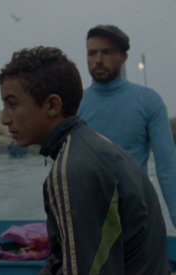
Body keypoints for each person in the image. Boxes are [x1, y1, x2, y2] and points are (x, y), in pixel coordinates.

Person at [0, 46, 169, 274]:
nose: (4, 118)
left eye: (13, 104)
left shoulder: (72, 171)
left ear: (52, 105)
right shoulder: (93, 147)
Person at [78, 24, 176, 227]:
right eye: (92, 53)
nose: (98, 59)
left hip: (136, 215)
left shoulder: (148, 101)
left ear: (123, 57)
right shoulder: (74, 104)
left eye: (106, 52)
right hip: (89, 219)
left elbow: (167, 168)